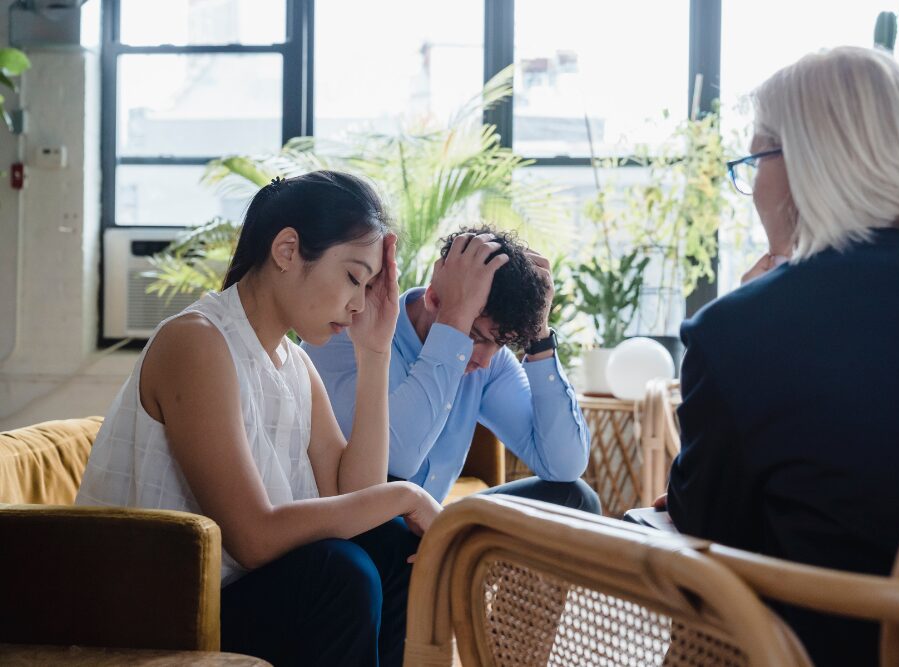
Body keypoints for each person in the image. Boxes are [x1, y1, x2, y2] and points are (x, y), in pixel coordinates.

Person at [644, 47, 899, 666]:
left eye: (755, 159)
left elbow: (702, 542)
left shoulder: (736, 332)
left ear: (806, 165)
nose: (751, 186)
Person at [76, 171, 443, 667]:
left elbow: (355, 496)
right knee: (340, 573)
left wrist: (374, 353)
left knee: (395, 551)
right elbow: (253, 538)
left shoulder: (294, 364)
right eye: (354, 277)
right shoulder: (198, 342)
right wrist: (408, 494)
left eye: (369, 286)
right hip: (162, 610)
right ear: (288, 250)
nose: (359, 303)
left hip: (240, 596)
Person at [304, 225, 599, 513]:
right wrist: (456, 322)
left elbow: (564, 465)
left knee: (575, 498)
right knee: (390, 507)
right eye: (475, 337)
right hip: (359, 525)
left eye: (500, 344)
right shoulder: (350, 331)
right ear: (433, 299)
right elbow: (397, 462)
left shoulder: (489, 362)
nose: (485, 361)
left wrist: (539, 336)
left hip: (431, 525)